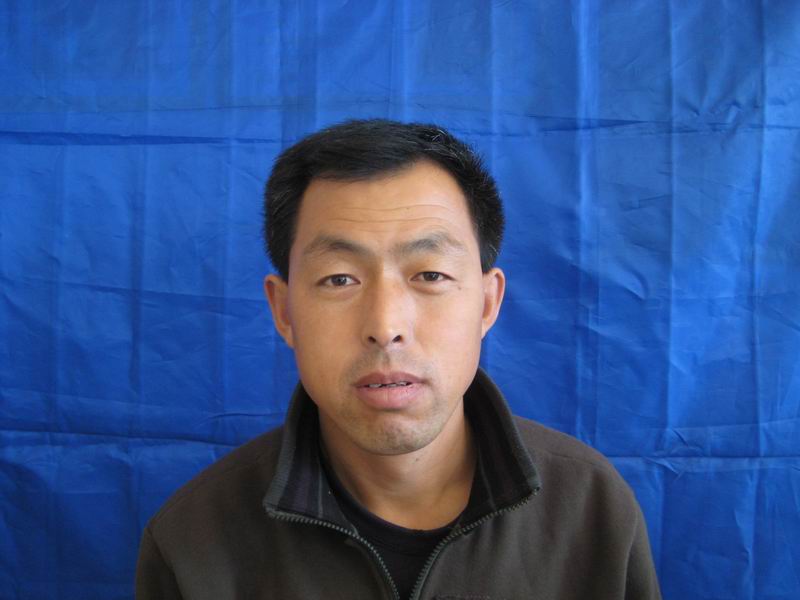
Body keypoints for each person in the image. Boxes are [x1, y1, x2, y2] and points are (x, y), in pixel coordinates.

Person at [135, 119, 661, 599]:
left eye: (430, 275)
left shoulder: (592, 510)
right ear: (284, 311)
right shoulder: (193, 540)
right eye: (339, 279)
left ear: (487, 303)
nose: (386, 326)